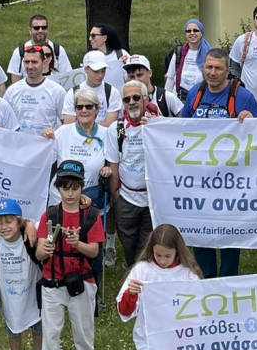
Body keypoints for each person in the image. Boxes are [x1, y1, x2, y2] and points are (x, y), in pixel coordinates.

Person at [182, 48, 257, 278]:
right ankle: (206, 280)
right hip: (200, 179)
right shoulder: (195, 93)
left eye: (217, 68)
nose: (212, 72)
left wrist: (252, 120)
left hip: (230, 181)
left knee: (229, 233)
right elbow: (181, 129)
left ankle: (227, 281)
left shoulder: (243, 97)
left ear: (228, 70)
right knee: (200, 232)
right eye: (208, 67)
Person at [116, 223, 204, 350]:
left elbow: (196, 316)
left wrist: (176, 345)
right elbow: (125, 311)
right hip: (152, 342)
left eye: (167, 256)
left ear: (177, 251)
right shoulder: (142, 270)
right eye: (158, 255)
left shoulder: (188, 275)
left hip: (181, 342)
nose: (162, 261)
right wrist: (130, 294)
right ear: (152, 250)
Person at [36, 161, 104, 350]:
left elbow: (94, 251)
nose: (71, 194)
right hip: (52, 279)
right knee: (51, 329)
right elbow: (39, 252)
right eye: (65, 188)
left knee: (84, 328)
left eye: (75, 188)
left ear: (82, 187)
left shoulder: (91, 215)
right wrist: (44, 250)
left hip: (82, 280)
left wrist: (77, 244)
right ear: (58, 188)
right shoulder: (50, 215)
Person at [0, 198, 44, 350]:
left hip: (31, 288)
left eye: (9, 221)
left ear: (19, 221)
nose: (4, 227)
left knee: (37, 321)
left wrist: (29, 223)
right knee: (12, 323)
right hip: (9, 291)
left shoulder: (28, 235)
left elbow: (46, 218)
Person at [52, 87, 120, 231]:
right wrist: (45, 137)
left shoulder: (106, 134)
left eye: (89, 106)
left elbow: (112, 161)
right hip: (64, 199)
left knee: (92, 239)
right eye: (79, 107)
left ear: (97, 109)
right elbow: (45, 157)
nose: (84, 110)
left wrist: (107, 168)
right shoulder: (63, 132)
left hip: (93, 200)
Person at [114, 80, 160, 267]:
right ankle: (131, 268)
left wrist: (155, 126)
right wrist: (115, 195)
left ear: (145, 99)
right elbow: (113, 163)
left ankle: (141, 272)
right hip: (126, 196)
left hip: (151, 197)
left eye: (136, 97)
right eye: (127, 99)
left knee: (146, 245)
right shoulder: (117, 128)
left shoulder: (158, 124)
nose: (131, 102)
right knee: (128, 244)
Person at [5, 42, 70, 134]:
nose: (30, 66)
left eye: (34, 62)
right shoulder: (12, 91)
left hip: (47, 142)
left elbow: (66, 125)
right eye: (27, 62)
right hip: (19, 142)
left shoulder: (57, 91)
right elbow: (4, 122)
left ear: (44, 63)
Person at [7, 14, 73, 82]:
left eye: (44, 27)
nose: (40, 30)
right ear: (30, 30)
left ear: (47, 29)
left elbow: (68, 77)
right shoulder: (19, 52)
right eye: (36, 28)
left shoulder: (58, 50)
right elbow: (15, 83)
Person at [62, 51, 121, 126]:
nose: (100, 75)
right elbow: (69, 125)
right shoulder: (72, 93)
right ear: (86, 69)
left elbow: (110, 125)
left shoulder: (112, 92)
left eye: (103, 71)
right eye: (96, 72)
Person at [123, 54, 182, 118]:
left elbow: (185, 120)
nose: (136, 80)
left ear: (149, 73)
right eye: (131, 77)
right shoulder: (125, 100)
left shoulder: (167, 97)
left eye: (139, 75)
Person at [164, 18, 210, 99]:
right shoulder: (179, 52)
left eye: (195, 30)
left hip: (202, 97)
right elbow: (170, 77)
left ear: (201, 33)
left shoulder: (209, 53)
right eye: (188, 31)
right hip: (180, 97)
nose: (192, 33)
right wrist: (165, 99)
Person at [86, 22, 130, 90]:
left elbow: (130, 78)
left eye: (93, 35)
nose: (90, 39)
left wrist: (125, 66)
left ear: (105, 38)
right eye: (90, 35)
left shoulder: (121, 54)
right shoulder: (91, 57)